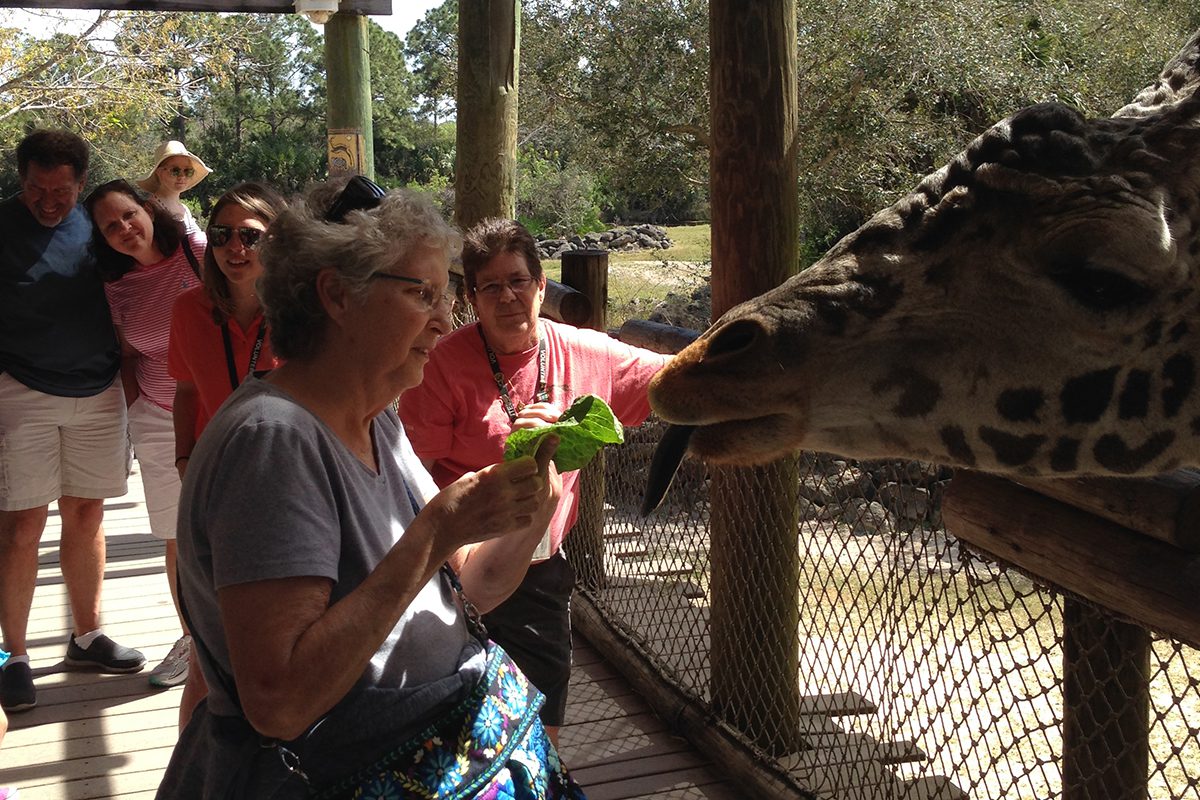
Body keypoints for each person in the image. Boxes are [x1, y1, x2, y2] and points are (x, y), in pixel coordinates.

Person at [156, 177, 586, 799]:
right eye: (423, 295)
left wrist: (531, 507)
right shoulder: (273, 442)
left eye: (447, 297)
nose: (445, 322)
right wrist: (437, 530)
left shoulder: (376, 417)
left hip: (430, 742)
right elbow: (279, 702)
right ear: (336, 294)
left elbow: (475, 588)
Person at [399, 218, 669, 746]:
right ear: (471, 299)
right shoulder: (442, 366)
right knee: (462, 734)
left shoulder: (587, 352)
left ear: (542, 287)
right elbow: (413, 479)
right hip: (456, 570)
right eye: (491, 286)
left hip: (541, 571)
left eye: (519, 281)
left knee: (541, 733)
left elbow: (672, 378)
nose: (507, 297)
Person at [0, 130, 143, 715]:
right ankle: (14, 655)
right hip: (21, 389)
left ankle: (86, 635)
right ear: (21, 178)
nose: (48, 200)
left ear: (81, 184)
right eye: (36, 187)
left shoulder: (99, 226)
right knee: (21, 525)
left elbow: (159, 259)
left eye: (61, 189)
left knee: (86, 512)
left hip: (101, 387)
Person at [166, 181, 286, 724]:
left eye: (250, 236)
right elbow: (187, 389)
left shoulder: (302, 312)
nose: (234, 248)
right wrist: (185, 458)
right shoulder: (189, 310)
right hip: (219, 480)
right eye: (221, 235)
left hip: (290, 479)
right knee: (212, 651)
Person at [84, 180, 204, 690]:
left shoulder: (199, 254)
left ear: (149, 208)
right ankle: (192, 642)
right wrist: (135, 405)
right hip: (158, 414)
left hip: (225, 405)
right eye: (110, 227)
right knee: (177, 533)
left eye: (129, 215)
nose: (124, 229)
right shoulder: (118, 286)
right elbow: (129, 352)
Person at [136, 140, 211, 232]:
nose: (182, 176)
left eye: (188, 171)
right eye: (175, 171)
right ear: (159, 173)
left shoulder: (185, 209)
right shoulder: (150, 209)